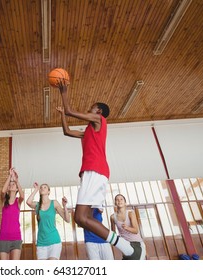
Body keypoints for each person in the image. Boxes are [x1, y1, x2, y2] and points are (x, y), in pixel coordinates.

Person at [55, 80, 141, 259]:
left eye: (91, 107)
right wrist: (63, 114)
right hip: (92, 172)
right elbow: (67, 131)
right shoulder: (88, 130)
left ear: (99, 111)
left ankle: (127, 248)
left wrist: (64, 92)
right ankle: (126, 247)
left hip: (95, 170)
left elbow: (72, 111)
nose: (89, 110)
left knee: (80, 218)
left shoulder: (100, 120)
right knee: (83, 219)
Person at [26, 182, 70, 260]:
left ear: (49, 192)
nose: (42, 188)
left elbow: (67, 219)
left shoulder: (54, 203)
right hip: (41, 243)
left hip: (54, 241)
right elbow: (28, 202)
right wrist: (36, 189)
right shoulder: (37, 205)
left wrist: (65, 206)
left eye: (45, 187)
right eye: (41, 187)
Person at [0, 167, 25, 260]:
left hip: (16, 237)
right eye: (10, 184)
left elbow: (22, 196)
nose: (11, 185)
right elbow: (2, 191)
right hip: (3, 237)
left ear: (17, 188)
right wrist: (10, 176)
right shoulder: (4, 201)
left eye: (13, 185)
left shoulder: (18, 201)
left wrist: (16, 181)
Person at [110, 194, 146, 260]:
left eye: (121, 199)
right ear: (115, 203)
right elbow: (113, 233)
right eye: (117, 199)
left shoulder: (130, 214)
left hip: (137, 243)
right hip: (125, 245)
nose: (119, 201)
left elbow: (136, 231)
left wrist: (127, 228)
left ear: (125, 203)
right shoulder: (112, 217)